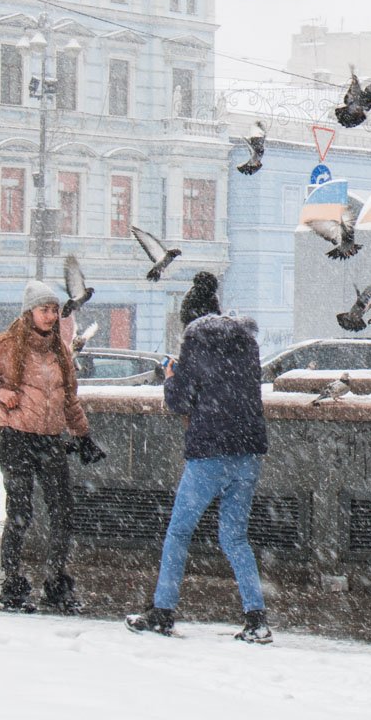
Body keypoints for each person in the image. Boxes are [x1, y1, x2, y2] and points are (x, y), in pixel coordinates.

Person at [125, 271, 272, 643]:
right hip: (248, 451)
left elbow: (180, 401)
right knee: (235, 538)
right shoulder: (247, 343)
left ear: (190, 318)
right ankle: (256, 619)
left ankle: (162, 611)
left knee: (179, 533)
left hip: (209, 452)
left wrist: (172, 375)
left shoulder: (196, 341)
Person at [0, 280, 105, 613]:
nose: (51, 316)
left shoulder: (60, 350)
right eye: (44, 310)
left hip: (51, 441)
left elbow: (68, 399)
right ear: (29, 312)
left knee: (63, 511)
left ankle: (56, 583)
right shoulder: (5, 345)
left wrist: (83, 435)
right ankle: (13, 585)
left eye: (53, 309)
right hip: (17, 439)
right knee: (20, 513)